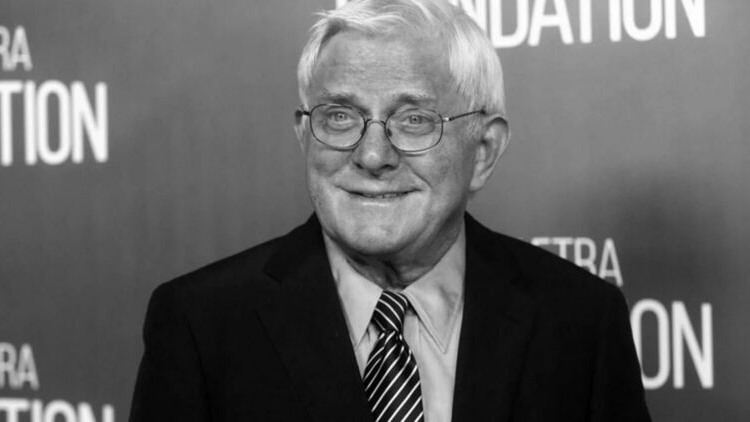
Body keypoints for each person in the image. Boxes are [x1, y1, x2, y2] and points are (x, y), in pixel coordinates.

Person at [129, 0, 651, 421]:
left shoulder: (581, 321)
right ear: (305, 135)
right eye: (339, 116)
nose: (373, 155)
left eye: (414, 119)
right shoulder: (201, 324)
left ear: (483, 151)